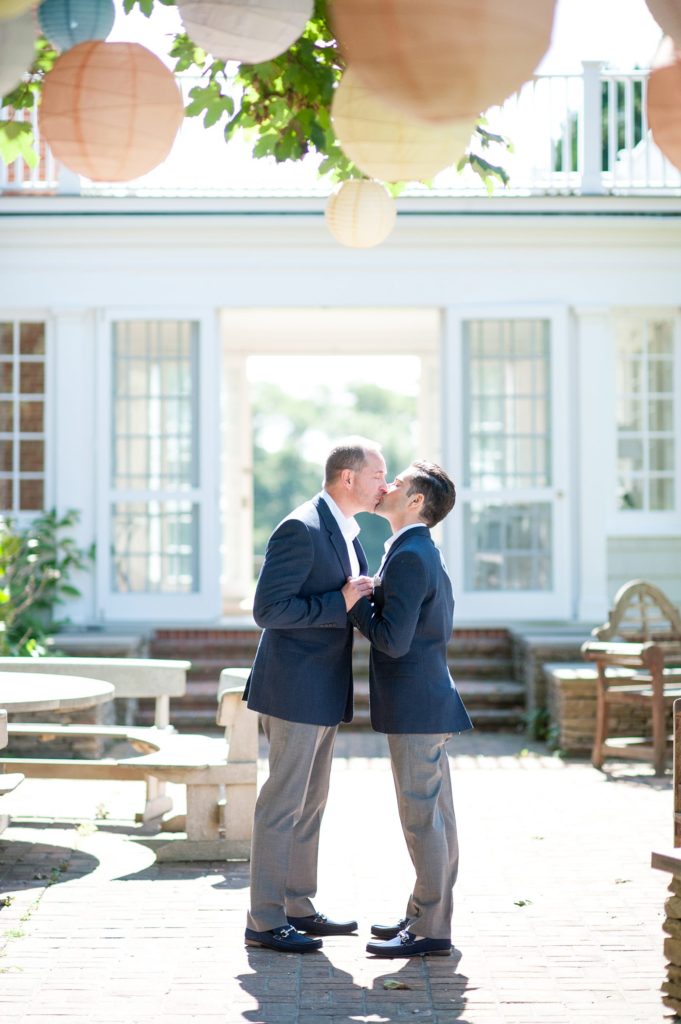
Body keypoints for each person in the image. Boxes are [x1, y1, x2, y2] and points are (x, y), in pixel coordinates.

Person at [243, 438, 388, 954]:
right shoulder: (299, 528)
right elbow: (269, 610)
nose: (385, 485)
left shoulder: (348, 532)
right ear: (347, 477)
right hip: (293, 690)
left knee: (310, 804)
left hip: (324, 689)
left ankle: (298, 906)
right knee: (282, 803)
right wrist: (341, 599)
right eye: (378, 474)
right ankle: (263, 920)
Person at [349, 460, 473, 958]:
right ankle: (426, 915)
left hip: (417, 707)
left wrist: (354, 601)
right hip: (428, 702)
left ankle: (429, 931)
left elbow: (393, 642)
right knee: (436, 817)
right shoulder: (417, 551)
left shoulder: (409, 555)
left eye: (396, 483)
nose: (386, 487)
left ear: (416, 501)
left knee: (423, 819)